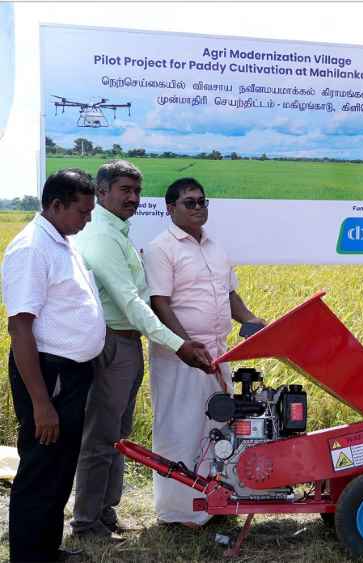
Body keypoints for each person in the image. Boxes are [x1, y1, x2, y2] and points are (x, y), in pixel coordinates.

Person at [70, 161, 213, 540]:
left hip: (127, 343)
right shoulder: (101, 236)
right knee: (102, 437)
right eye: (124, 190)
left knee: (118, 433)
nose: (133, 197)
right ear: (101, 193)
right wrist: (178, 344)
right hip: (112, 343)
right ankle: (86, 522)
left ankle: (105, 513)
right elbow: (132, 303)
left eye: (136, 190)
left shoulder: (117, 232)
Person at [143, 178, 265, 527]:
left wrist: (250, 318)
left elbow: (230, 296)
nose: (198, 208)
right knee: (181, 429)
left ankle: (217, 502)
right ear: (170, 208)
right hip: (181, 354)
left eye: (202, 202)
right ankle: (180, 511)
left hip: (216, 352)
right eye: (189, 203)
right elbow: (159, 304)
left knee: (219, 427)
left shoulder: (215, 247)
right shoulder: (161, 249)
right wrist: (185, 344)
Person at [2, 169, 106, 562]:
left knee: (60, 467)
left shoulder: (61, 241)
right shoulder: (31, 249)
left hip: (70, 374)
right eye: (83, 211)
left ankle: (45, 548)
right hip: (49, 374)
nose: (88, 219)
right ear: (56, 205)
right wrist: (41, 403)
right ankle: (29, 556)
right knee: (41, 467)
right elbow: (20, 328)